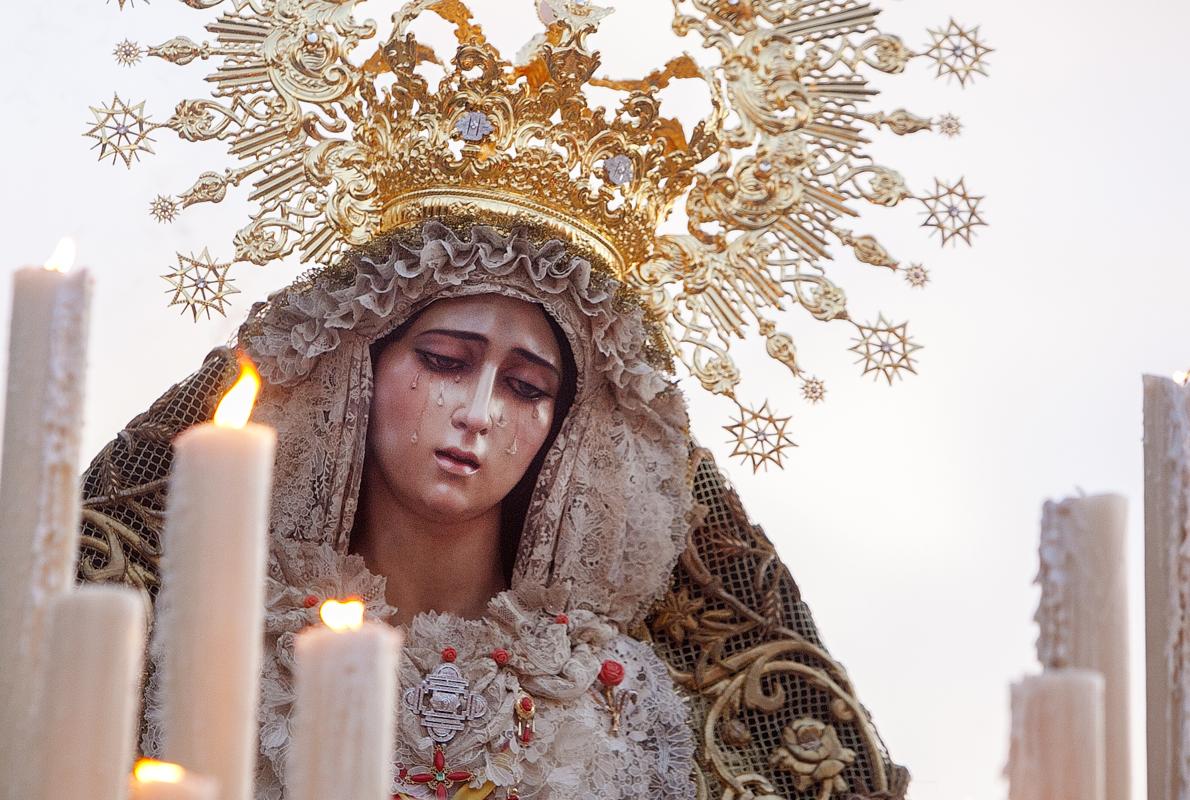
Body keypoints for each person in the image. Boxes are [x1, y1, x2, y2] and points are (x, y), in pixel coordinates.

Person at [78, 222, 907, 799]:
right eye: (445, 361)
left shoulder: (612, 698)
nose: (478, 413)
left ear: (564, 432)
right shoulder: (219, 649)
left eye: (525, 387)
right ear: (359, 372)